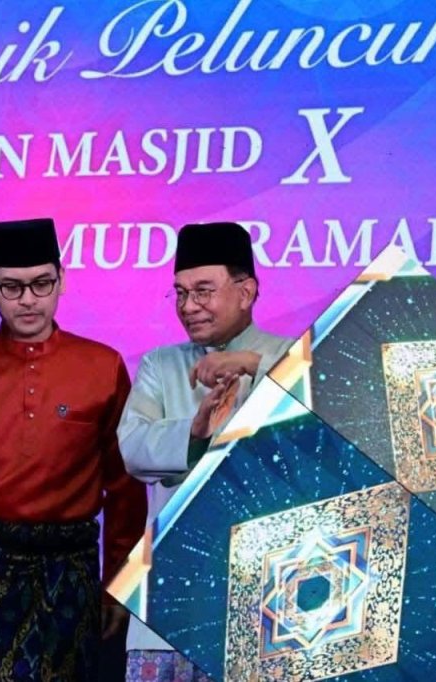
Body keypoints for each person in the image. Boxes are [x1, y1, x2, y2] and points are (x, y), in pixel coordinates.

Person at [0, 217, 148, 681]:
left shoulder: (102, 366)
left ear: (62, 281)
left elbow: (125, 486)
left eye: (42, 283)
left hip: (68, 573)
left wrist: (119, 584)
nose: (28, 299)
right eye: (11, 287)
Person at [118, 221, 294, 681]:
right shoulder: (160, 365)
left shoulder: (292, 359)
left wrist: (252, 363)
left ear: (246, 291)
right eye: (180, 293)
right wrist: (193, 433)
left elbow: (335, 411)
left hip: (271, 591)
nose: (188, 306)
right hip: (177, 586)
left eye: (203, 291)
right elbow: (132, 448)